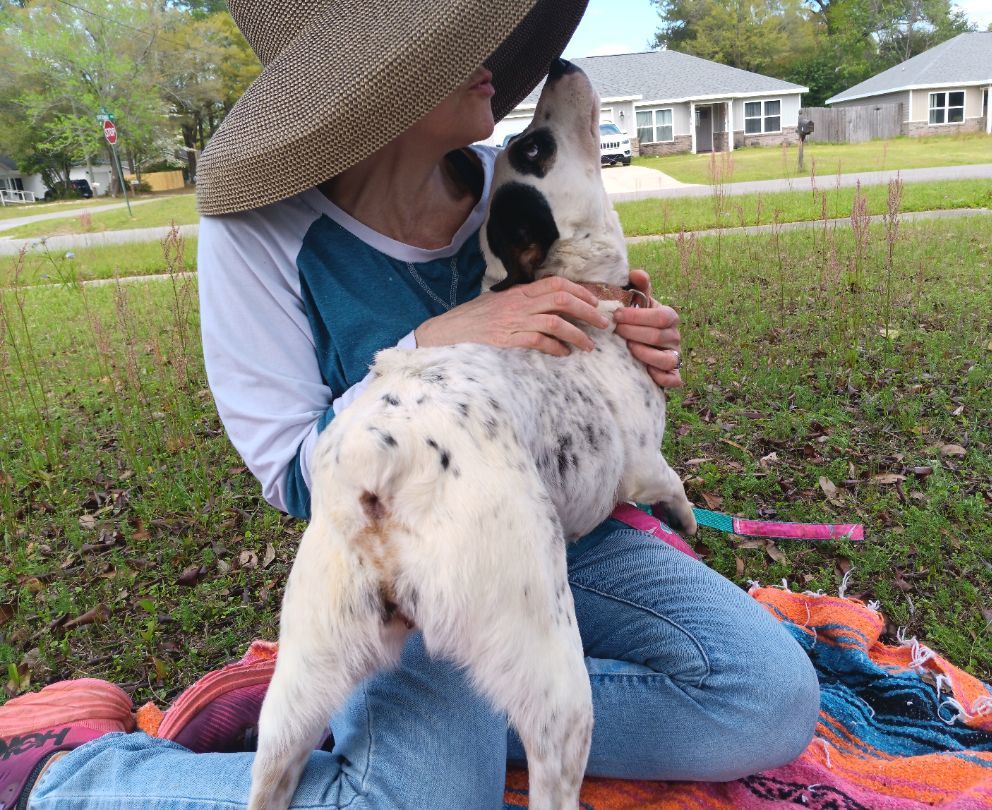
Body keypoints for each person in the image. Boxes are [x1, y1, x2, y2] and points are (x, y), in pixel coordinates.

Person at [0, 2, 819, 808]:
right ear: (365, 89)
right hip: (412, 549)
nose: (487, 50)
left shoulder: (512, 179)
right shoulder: (259, 234)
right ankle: (68, 776)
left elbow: (572, 349)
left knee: (769, 701)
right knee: (414, 799)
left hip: (568, 524)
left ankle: (456, 720)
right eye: (440, 42)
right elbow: (290, 471)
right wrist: (441, 336)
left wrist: (630, 340)